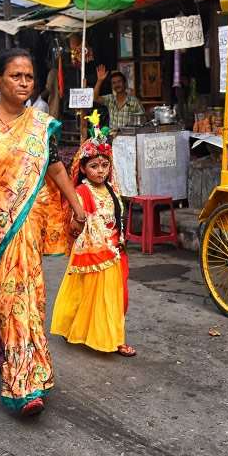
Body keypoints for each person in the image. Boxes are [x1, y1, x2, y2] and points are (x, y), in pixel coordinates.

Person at [0, 48, 87, 416]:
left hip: (30, 223)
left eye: (28, 77)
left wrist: (75, 204)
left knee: (31, 296)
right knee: (9, 298)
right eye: (15, 76)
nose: (24, 83)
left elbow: (55, 167)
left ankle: (28, 373)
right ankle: (20, 385)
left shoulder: (40, 124)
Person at [50, 128, 134, 357]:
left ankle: (112, 337)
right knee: (88, 295)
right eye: (94, 166)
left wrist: (118, 241)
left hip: (113, 249)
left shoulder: (112, 190)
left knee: (113, 297)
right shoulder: (81, 191)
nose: (100, 171)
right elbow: (74, 224)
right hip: (93, 250)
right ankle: (112, 341)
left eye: (104, 165)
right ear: (83, 168)